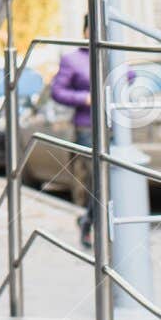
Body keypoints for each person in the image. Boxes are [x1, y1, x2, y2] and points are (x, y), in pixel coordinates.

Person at [51, 16, 95, 248]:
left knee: (113, 179)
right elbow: (57, 91)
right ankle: (88, 223)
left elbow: (129, 76)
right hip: (87, 126)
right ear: (85, 31)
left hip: (113, 126)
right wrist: (84, 98)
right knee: (96, 179)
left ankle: (88, 220)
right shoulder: (72, 59)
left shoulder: (113, 54)